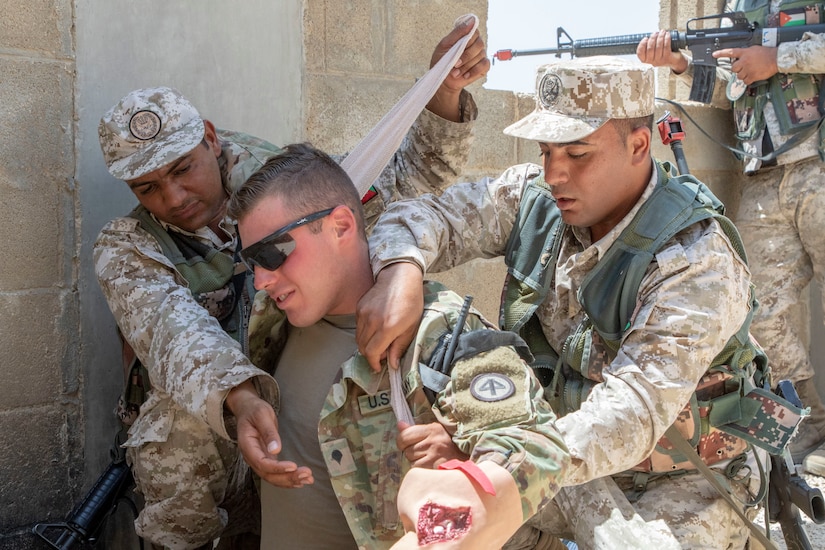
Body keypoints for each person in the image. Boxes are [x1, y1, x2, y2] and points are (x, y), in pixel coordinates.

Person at [354, 56, 802, 549]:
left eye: (578, 153)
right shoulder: (533, 197)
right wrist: (402, 270)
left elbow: (633, 410)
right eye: (546, 151)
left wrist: (502, 460)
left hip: (683, 478)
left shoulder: (696, 258)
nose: (554, 174)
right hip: (554, 458)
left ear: (637, 145)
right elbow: (421, 214)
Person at [93, 21, 490, 550]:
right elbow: (175, 335)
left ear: (210, 138)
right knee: (173, 423)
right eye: (148, 187)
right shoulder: (127, 247)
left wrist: (442, 94)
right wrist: (240, 398)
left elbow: (392, 185)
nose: (173, 195)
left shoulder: (276, 182)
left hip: (294, 407)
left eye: (183, 168)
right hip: (219, 431)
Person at [222, 142, 569, 549]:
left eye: (273, 253)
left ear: (340, 226)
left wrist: (459, 496)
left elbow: (532, 447)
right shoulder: (271, 316)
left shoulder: (438, 334)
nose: (261, 278)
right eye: (251, 259)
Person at [637, 1, 825, 476]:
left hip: (819, 163)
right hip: (765, 175)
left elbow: (780, 60)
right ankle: (810, 422)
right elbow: (729, 90)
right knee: (755, 308)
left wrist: (778, 59)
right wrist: (679, 62)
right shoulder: (738, 7)